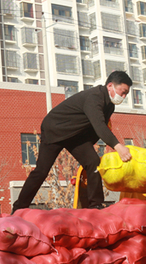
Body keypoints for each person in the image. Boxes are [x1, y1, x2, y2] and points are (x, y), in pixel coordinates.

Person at [12, 71, 133, 212]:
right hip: (55, 129)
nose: (123, 97)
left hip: (75, 135)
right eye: (122, 92)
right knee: (41, 171)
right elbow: (99, 125)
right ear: (110, 86)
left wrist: (88, 146)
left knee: (93, 161)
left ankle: (96, 206)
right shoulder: (94, 97)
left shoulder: (110, 105)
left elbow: (96, 129)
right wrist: (119, 147)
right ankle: (18, 208)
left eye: (126, 94)